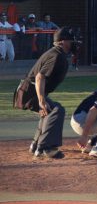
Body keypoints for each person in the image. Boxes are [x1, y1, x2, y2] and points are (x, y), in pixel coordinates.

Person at [24, 27, 80, 158]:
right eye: (71, 41)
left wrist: (42, 100)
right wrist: (41, 100)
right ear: (62, 42)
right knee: (57, 110)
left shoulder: (57, 53)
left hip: (29, 91)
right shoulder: (56, 56)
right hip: (30, 92)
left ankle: (36, 145)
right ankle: (46, 148)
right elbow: (39, 77)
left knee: (48, 111)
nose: (74, 43)